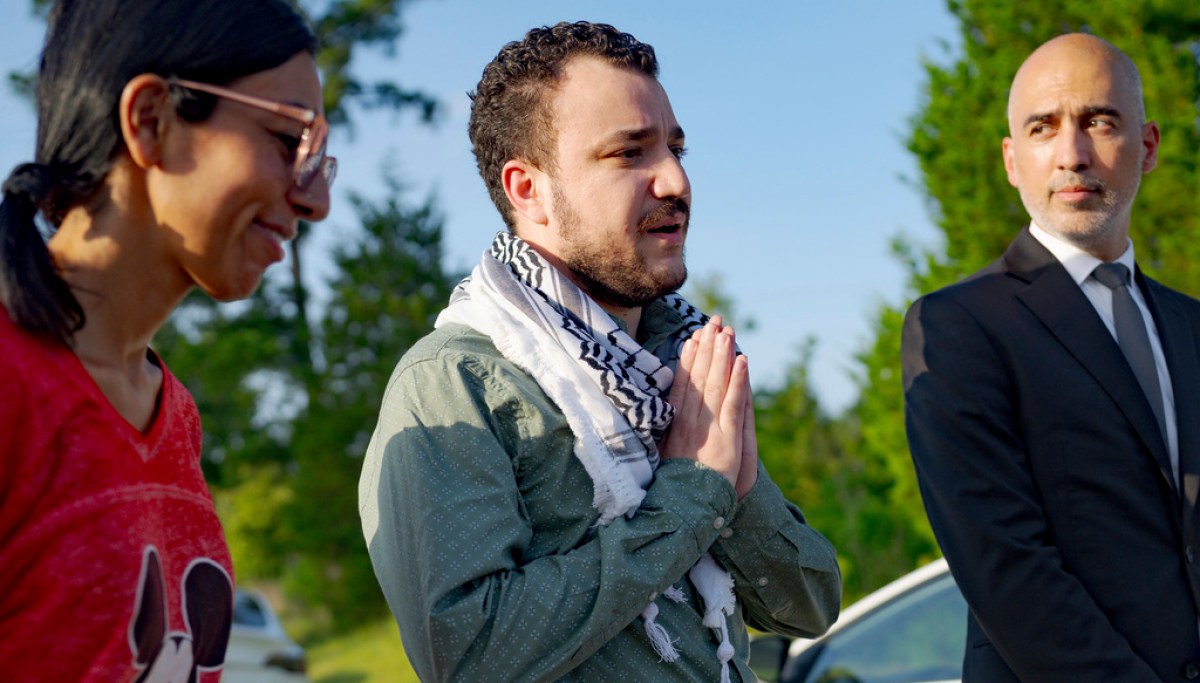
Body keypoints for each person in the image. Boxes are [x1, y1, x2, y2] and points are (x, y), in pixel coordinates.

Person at [359, 20, 841, 682]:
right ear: (528, 190)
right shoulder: (454, 383)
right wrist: (692, 492)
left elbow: (811, 606)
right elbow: (467, 656)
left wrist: (737, 485)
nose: (675, 180)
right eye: (628, 153)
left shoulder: (671, 366)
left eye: (677, 148)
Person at [0, 0, 333, 679]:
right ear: (151, 119)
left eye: (319, 159)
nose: (315, 200)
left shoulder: (175, 417)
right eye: (286, 139)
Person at [903, 33, 1200, 681]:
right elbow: (1008, 570)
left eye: (1099, 121)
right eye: (1043, 128)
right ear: (1013, 160)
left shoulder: (1191, 325)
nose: (1072, 154)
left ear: (1148, 146)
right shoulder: (957, 327)